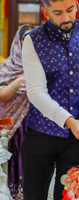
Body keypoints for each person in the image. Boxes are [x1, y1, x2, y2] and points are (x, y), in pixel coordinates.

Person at [21, 0, 79, 199]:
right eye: (58, 13)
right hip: (40, 133)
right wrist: (68, 120)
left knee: (70, 195)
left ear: (76, 5)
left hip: (78, 138)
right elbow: (36, 92)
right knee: (34, 195)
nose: (66, 18)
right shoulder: (33, 40)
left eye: (70, 10)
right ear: (45, 12)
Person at [0, 24, 34, 199]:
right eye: (25, 39)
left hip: (34, 124)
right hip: (12, 126)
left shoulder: (40, 66)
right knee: (13, 162)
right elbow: (2, 96)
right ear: (18, 42)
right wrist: (19, 80)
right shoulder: (8, 66)